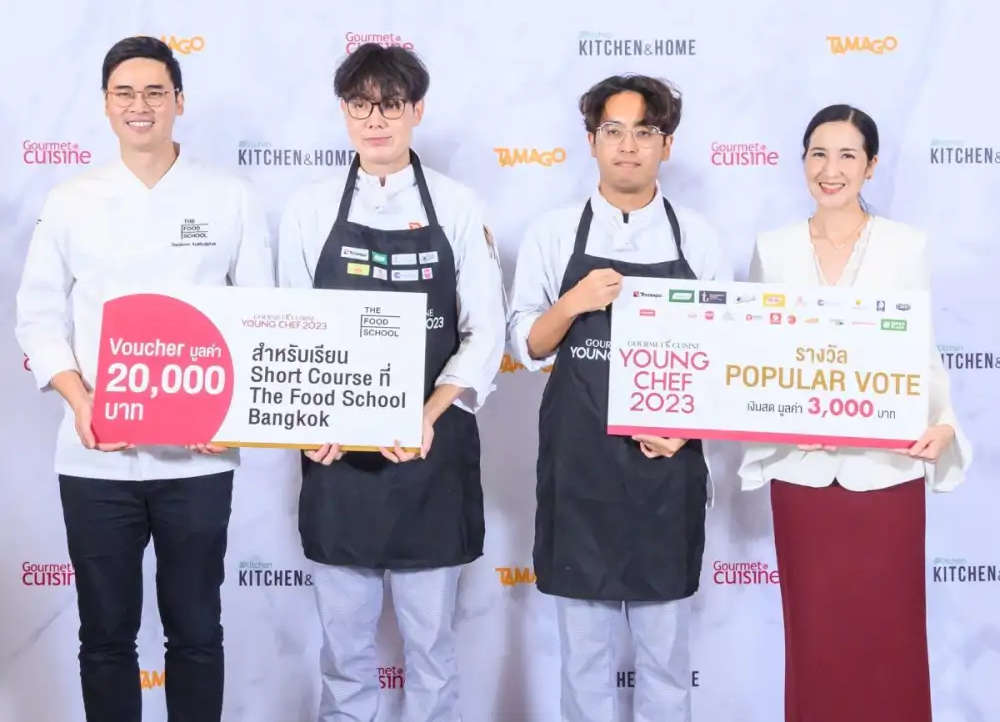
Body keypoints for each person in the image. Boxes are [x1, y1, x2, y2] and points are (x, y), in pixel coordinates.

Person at [14, 36, 275, 722]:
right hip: (95, 459)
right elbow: (37, 317)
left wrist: (235, 413)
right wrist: (80, 399)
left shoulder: (231, 197)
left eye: (155, 92)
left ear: (179, 101)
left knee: (197, 631)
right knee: (105, 636)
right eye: (124, 93)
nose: (140, 105)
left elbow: (260, 316)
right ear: (106, 105)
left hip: (200, 459)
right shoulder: (71, 200)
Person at [277, 42, 506, 722]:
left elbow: (485, 332)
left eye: (391, 105)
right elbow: (291, 331)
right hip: (337, 464)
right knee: (344, 656)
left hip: (430, 458)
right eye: (360, 106)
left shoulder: (459, 206)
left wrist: (427, 415)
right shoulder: (309, 209)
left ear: (417, 111)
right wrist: (310, 422)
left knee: (432, 653)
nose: (375, 121)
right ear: (344, 113)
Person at [507, 74, 732, 722]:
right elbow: (528, 343)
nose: (628, 146)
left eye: (644, 132)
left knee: (665, 660)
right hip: (580, 471)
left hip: (666, 474)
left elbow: (725, 353)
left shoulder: (698, 238)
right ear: (591, 141)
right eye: (613, 131)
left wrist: (687, 430)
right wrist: (573, 302)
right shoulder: (554, 233)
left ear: (666, 144)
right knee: (583, 660)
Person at [739, 103, 972, 722]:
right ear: (803, 162)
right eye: (819, 153)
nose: (831, 169)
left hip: (887, 473)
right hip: (803, 476)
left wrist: (944, 424)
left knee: (891, 636)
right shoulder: (773, 249)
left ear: (870, 166)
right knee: (813, 639)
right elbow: (757, 355)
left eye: (847, 155)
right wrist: (782, 418)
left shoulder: (906, 246)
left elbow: (921, 353)